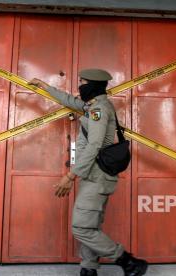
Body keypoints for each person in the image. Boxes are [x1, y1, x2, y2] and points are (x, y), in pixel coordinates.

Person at [29, 68, 148, 276]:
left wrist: (70, 176)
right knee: (91, 226)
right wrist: (45, 87)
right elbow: (71, 102)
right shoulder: (93, 106)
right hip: (95, 176)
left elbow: (94, 146)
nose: (79, 86)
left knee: (81, 228)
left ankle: (128, 261)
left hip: (96, 176)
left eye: (82, 82)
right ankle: (88, 269)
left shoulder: (98, 110)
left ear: (92, 84)